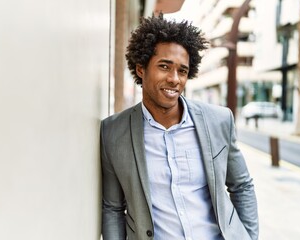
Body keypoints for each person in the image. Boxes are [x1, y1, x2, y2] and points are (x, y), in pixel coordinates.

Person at [100, 13, 258, 240]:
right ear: (141, 69)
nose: (175, 79)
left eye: (182, 71)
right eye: (164, 66)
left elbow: (241, 186)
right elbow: (113, 208)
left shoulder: (219, 121)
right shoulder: (113, 132)